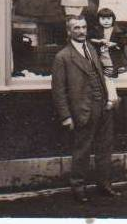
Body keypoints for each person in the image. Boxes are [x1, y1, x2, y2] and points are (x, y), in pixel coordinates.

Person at [51, 15, 121, 203]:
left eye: (83, 27)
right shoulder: (63, 57)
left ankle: (104, 184)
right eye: (76, 28)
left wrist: (108, 100)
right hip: (82, 110)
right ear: (69, 31)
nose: (81, 31)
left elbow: (102, 75)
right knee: (82, 150)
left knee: (104, 148)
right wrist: (66, 116)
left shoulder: (91, 48)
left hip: (103, 107)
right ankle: (78, 187)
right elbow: (58, 91)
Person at [88, 8, 127, 109]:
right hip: (101, 59)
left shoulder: (117, 30)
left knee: (107, 78)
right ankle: (114, 98)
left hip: (113, 60)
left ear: (113, 19)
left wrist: (114, 44)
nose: (106, 21)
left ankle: (111, 99)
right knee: (104, 79)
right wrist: (99, 41)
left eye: (108, 19)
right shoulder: (97, 30)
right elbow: (89, 39)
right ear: (98, 19)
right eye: (103, 19)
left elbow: (125, 41)